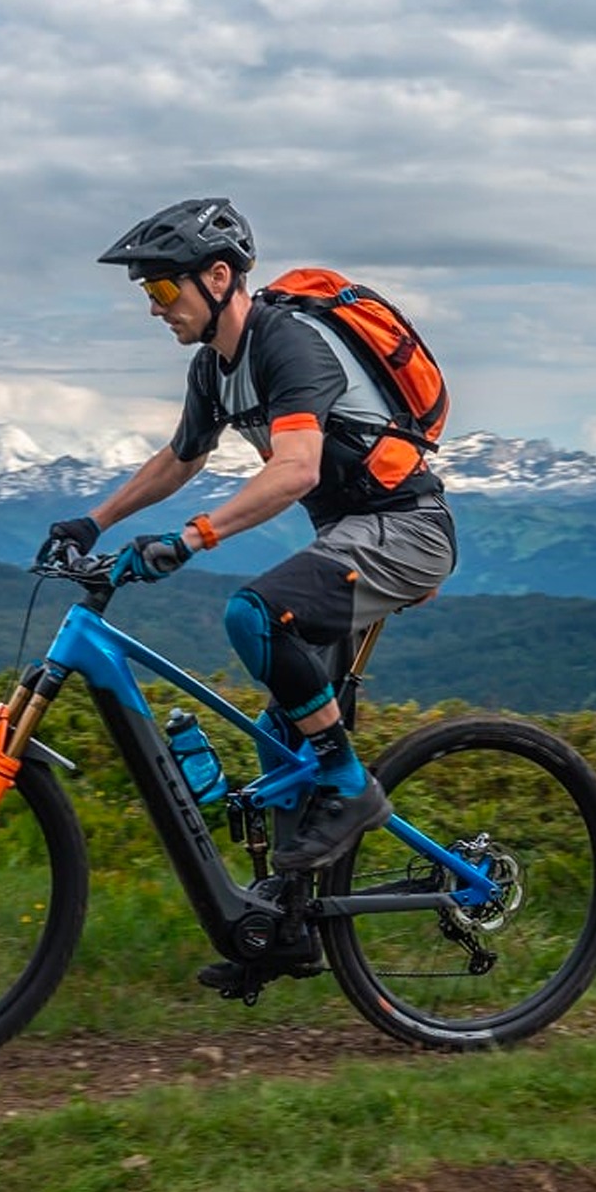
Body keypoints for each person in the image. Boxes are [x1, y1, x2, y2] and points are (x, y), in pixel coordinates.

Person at [38, 196, 456, 924]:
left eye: (164, 289)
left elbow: (295, 470)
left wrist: (191, 539)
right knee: (282, 737)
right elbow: (179, 460)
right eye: (149, 293)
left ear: (220, 277)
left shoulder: (286, 344)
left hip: (405, 529)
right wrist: (92, 521)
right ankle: (286, 922)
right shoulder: (215, 369)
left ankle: (354, 786)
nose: (154, 308)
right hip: (349, 538)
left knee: (255, 614)